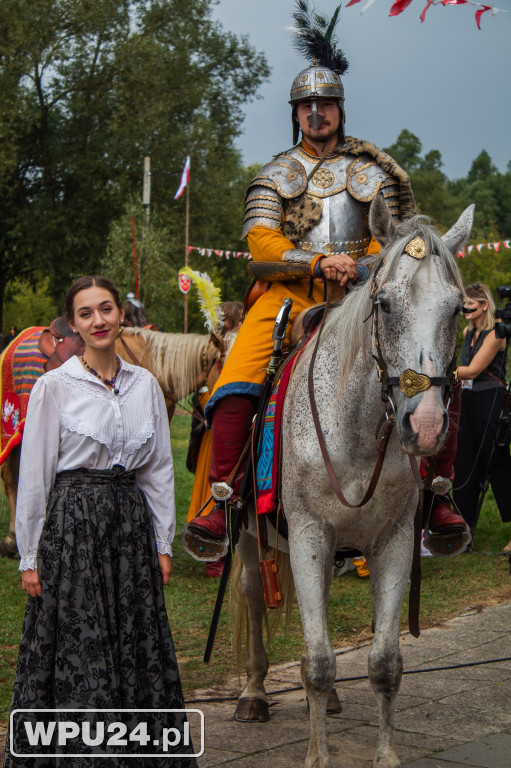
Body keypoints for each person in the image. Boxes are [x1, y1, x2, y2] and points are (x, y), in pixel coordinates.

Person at [182, 3, 466, 557]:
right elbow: (261, 245)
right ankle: (223, 499)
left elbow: (396, 241)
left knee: (430, 376)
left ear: (340, 108)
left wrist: (361, 267)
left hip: (365, 299)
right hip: (288, 298)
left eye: (326, 103)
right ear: (295, 113)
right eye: (307, 105)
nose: (317, 112)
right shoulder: (274, 174)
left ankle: (436, 495)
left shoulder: (373, 173)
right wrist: (315, 263)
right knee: (234, 383)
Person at [6, 275, 197, 767]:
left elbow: (157, 472)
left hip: (130, 529)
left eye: (106, 309)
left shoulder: (145, 386)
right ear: (73, 324)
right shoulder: (54, 386)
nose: (98, 320)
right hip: (74, 529)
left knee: (136, 640)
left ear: (121, 315)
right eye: (86, 313)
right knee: (79, 642)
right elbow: (35, 476)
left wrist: (163, 542)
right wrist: (30, 554)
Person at [453, 283, 511, 535]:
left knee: (495, 462)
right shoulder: (468, 332)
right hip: (467, 398)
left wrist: (437, 374)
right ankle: (463, 526)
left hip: (490, 399)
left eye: (470, 304)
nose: (465, 308)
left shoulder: (497, 333)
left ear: (484, 305)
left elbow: (474, 370)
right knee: (464, 461)